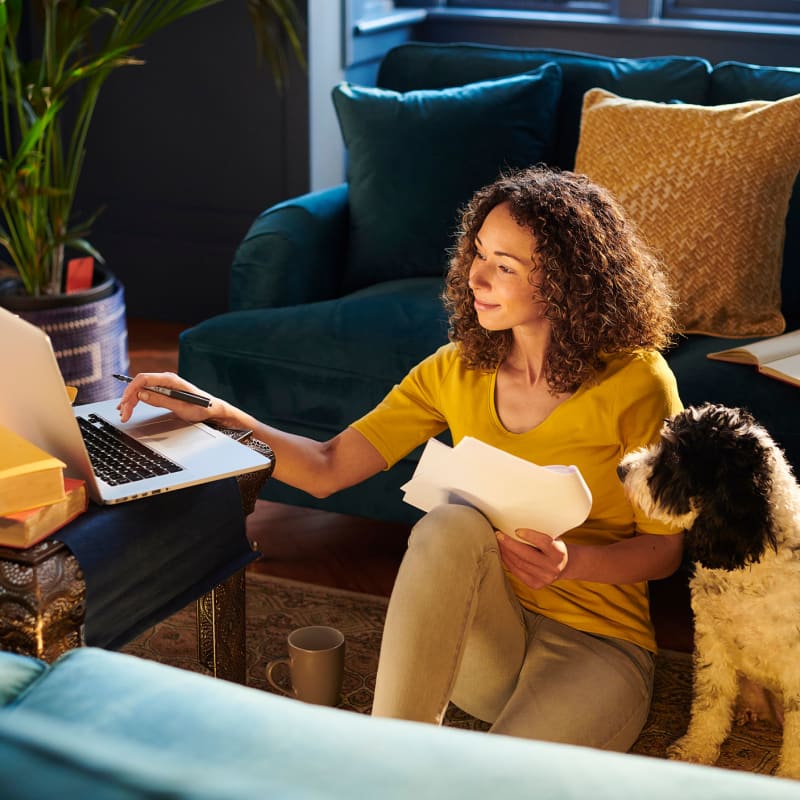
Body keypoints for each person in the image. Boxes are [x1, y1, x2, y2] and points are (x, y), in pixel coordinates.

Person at [118, 165, 684, 752]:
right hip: (483, 637)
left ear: (565, 283)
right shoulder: (455, 369)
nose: (476, 276)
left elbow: (665, 549)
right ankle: (386, 757)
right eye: (478, 253)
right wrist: (217, 415)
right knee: (450, 524)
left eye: (504, 266)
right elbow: (327, 465)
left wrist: (571, 565)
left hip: (596, 641)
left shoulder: (637, 382)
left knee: (500, 782)